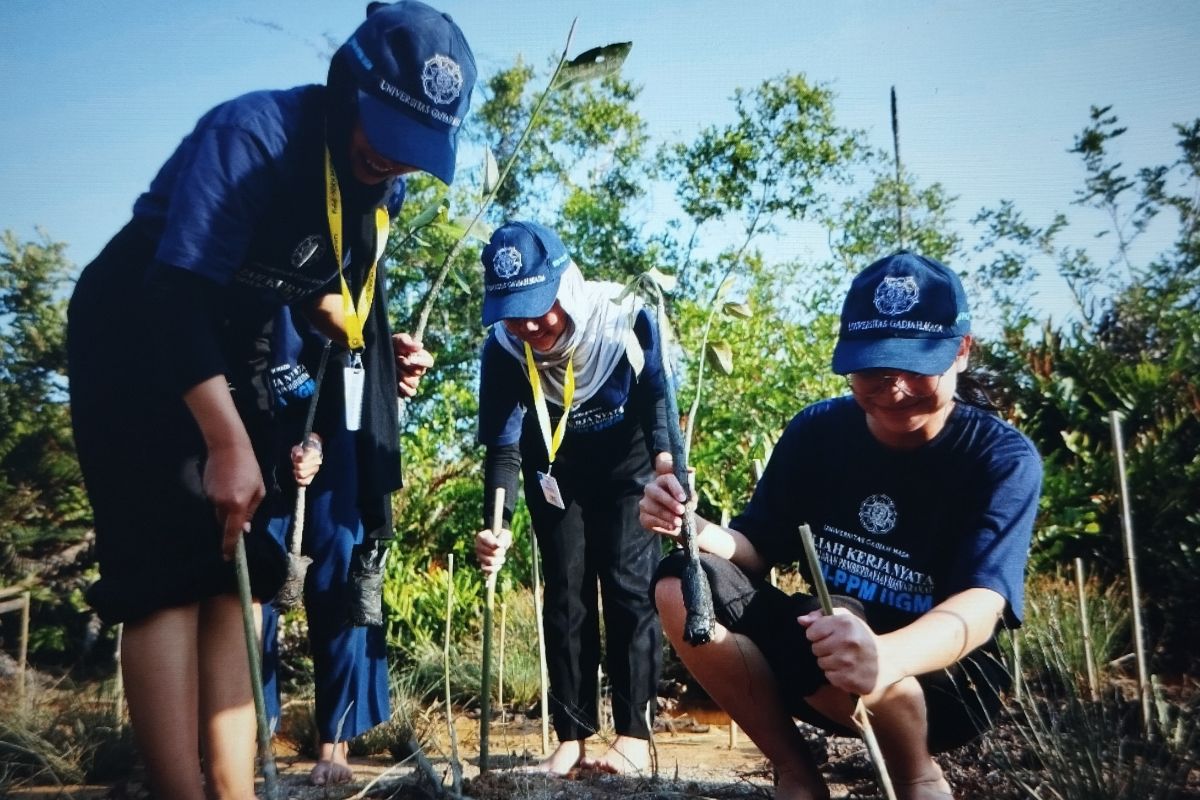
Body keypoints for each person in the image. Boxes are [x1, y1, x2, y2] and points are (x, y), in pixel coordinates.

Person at [66, 3, 475, 798]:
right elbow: (177, 293)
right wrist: (225, 441)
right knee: (164, 572)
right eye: (385, 131)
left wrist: (367, 343)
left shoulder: (376, 194)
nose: (393, 160)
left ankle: (236, 788)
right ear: (349, 86)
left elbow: (311, 293)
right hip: (137, 329)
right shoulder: (253, 137)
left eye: (414, 148)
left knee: (237, 564)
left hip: (234, 343)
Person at [639, 251, 1043, 800]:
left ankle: (917, 777)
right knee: (683, 582)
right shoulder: (818, 433)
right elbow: (756, 548)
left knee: (836, 621)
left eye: (914, 365)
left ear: (962, 352)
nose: (893, 388)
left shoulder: (999, 458)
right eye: (873, 370)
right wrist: (694, 526)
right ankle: (796, 774)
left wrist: (887, 657)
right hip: (822, 655)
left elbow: (983, 601)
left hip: (946, 684)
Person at [473, 221, 668, 775]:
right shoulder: (504, 349)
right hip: (552, 464)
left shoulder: (623, 318)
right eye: (513, 309)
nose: (530, 324)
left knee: (631, 587)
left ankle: (633, 735)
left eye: (539, 305)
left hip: (628, 461)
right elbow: (504, 448)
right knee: (565, 591)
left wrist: (664, 471)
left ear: (565, 283)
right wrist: (499, 523)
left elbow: (657, 402)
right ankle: (571, 737)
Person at [260, 308, 393, 787]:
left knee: (340, 578)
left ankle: (335, 740)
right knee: (254, 590)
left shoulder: (344, 263)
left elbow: (356, 360)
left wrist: (315, 441)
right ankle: (255, 733)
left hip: (339, 444)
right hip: (257, 439)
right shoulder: (246, 265)